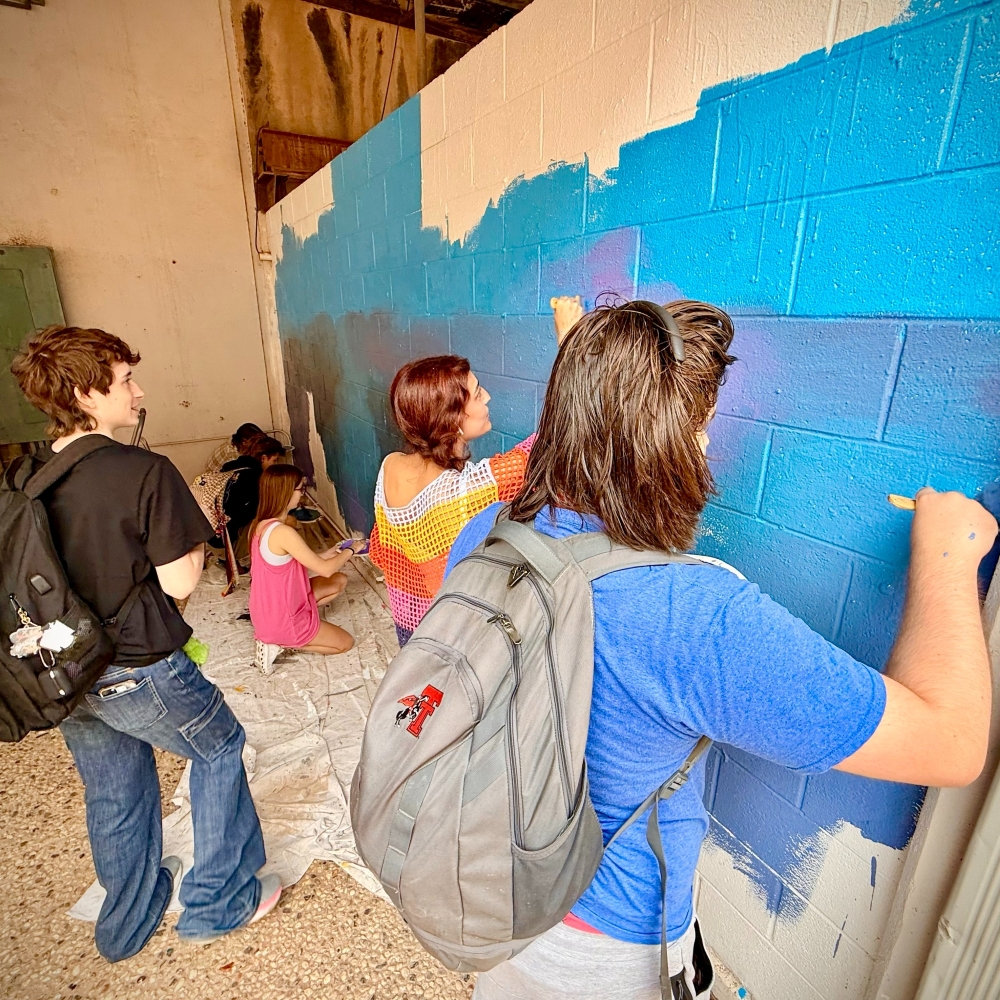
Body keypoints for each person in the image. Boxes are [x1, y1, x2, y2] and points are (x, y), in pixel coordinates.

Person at [444, 299, 997, 1000]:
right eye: (701, 429)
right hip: (603, 955)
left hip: (493, 892)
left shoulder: (488, 531)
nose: (706, 448)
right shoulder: (695, 615)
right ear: (675, 439)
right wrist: (950, 557)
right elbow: (952, 745)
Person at [10, 326, 281, 962]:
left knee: (113, 788)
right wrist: (194, 536)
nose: (138, 392)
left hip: (65, 669)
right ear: (86, 393)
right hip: (140, 666)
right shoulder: (144, 471)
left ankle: (125, 922)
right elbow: (180, 581)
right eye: (126, 380)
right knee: (219, 747)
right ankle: (219, 902)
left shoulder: (27, 473)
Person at [370, 298, 583, 646]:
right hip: (453, 634)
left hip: (411, 627)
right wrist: (568, 343)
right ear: (453, 417)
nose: (487, 398)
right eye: (477, 393)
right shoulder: (465, 491)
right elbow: (552, 437)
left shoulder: (390, 465)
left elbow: (381, 550)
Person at [249, 464, 367, 673]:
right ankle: (281, 642)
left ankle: (282, 633)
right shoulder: (283, 533)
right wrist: (352, 550)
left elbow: (291, 564)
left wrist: (328, 554)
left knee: (339, 581)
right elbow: (325, 570)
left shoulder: (261, 525)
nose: (302, 493)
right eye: (300, 489)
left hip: (266, 609)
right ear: (286, 492)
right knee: (345, 643)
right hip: (282, 618)